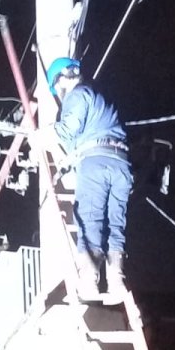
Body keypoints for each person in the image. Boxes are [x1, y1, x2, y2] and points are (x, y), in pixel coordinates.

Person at [42, 56, 133, 299]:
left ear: (60, 81)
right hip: (122, 165)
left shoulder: (78, 94)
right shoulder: (101, 96)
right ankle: (117, 282)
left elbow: (67, 130)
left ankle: (90, 282)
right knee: (116, 225)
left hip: (96, 163)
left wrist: (40, 137)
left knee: (90, 219)